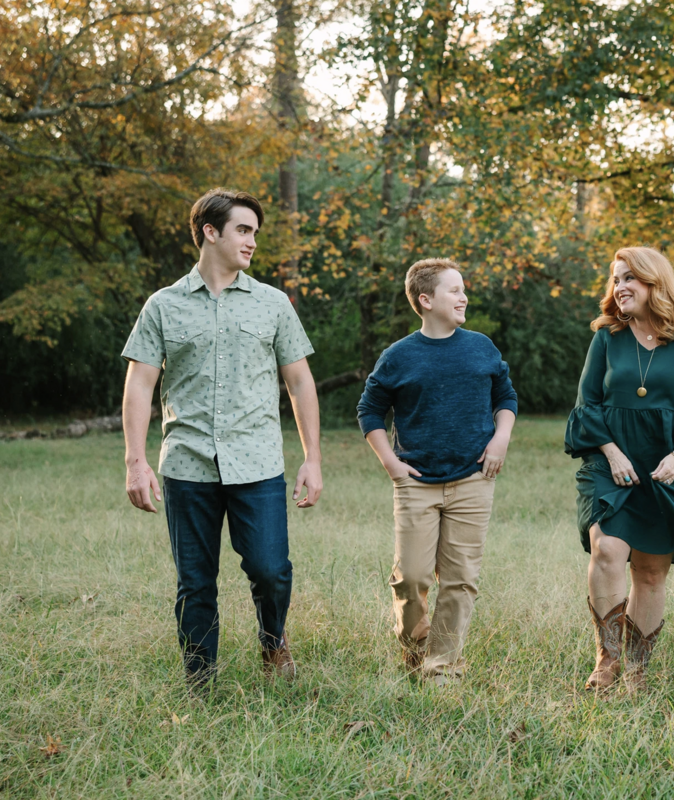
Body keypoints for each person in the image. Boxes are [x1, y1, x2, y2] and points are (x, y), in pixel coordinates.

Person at [121, 188, 322, 689]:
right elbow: (140, 384)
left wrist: (313, 458)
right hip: (187, 465)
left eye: (254, 231)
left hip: (257, 462)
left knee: (270, 569)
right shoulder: (163, 306)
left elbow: (299, 382)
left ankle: (273, 643)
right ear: (210, 232)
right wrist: (135, 461)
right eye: (243, 229)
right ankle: (200, 677)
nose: (252, 241)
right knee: (195, 582)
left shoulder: (272, 304)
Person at [565, 246, 674, 693]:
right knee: (608, 551)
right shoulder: (607, 338)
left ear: (654, 283)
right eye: (615, 280)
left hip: (670, 466)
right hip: (611, 459)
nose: (619, 288)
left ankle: (638, 670)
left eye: (628, 279)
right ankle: (607, 660)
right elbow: (587, 405)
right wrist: (613, 454)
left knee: (652, 572)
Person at [356, 258, 518, 687]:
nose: (464, 296)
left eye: (464, 289)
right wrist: (391, 464)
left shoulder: (481, 347)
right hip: (416, 483)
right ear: (425, 300)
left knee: (460, 580)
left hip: (472, 480)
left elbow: (506, 396)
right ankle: (414, 647)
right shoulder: (400, 356)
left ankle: (442, 668)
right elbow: (369, 409)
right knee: (411, 577)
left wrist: (501, 437)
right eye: (454, 290)